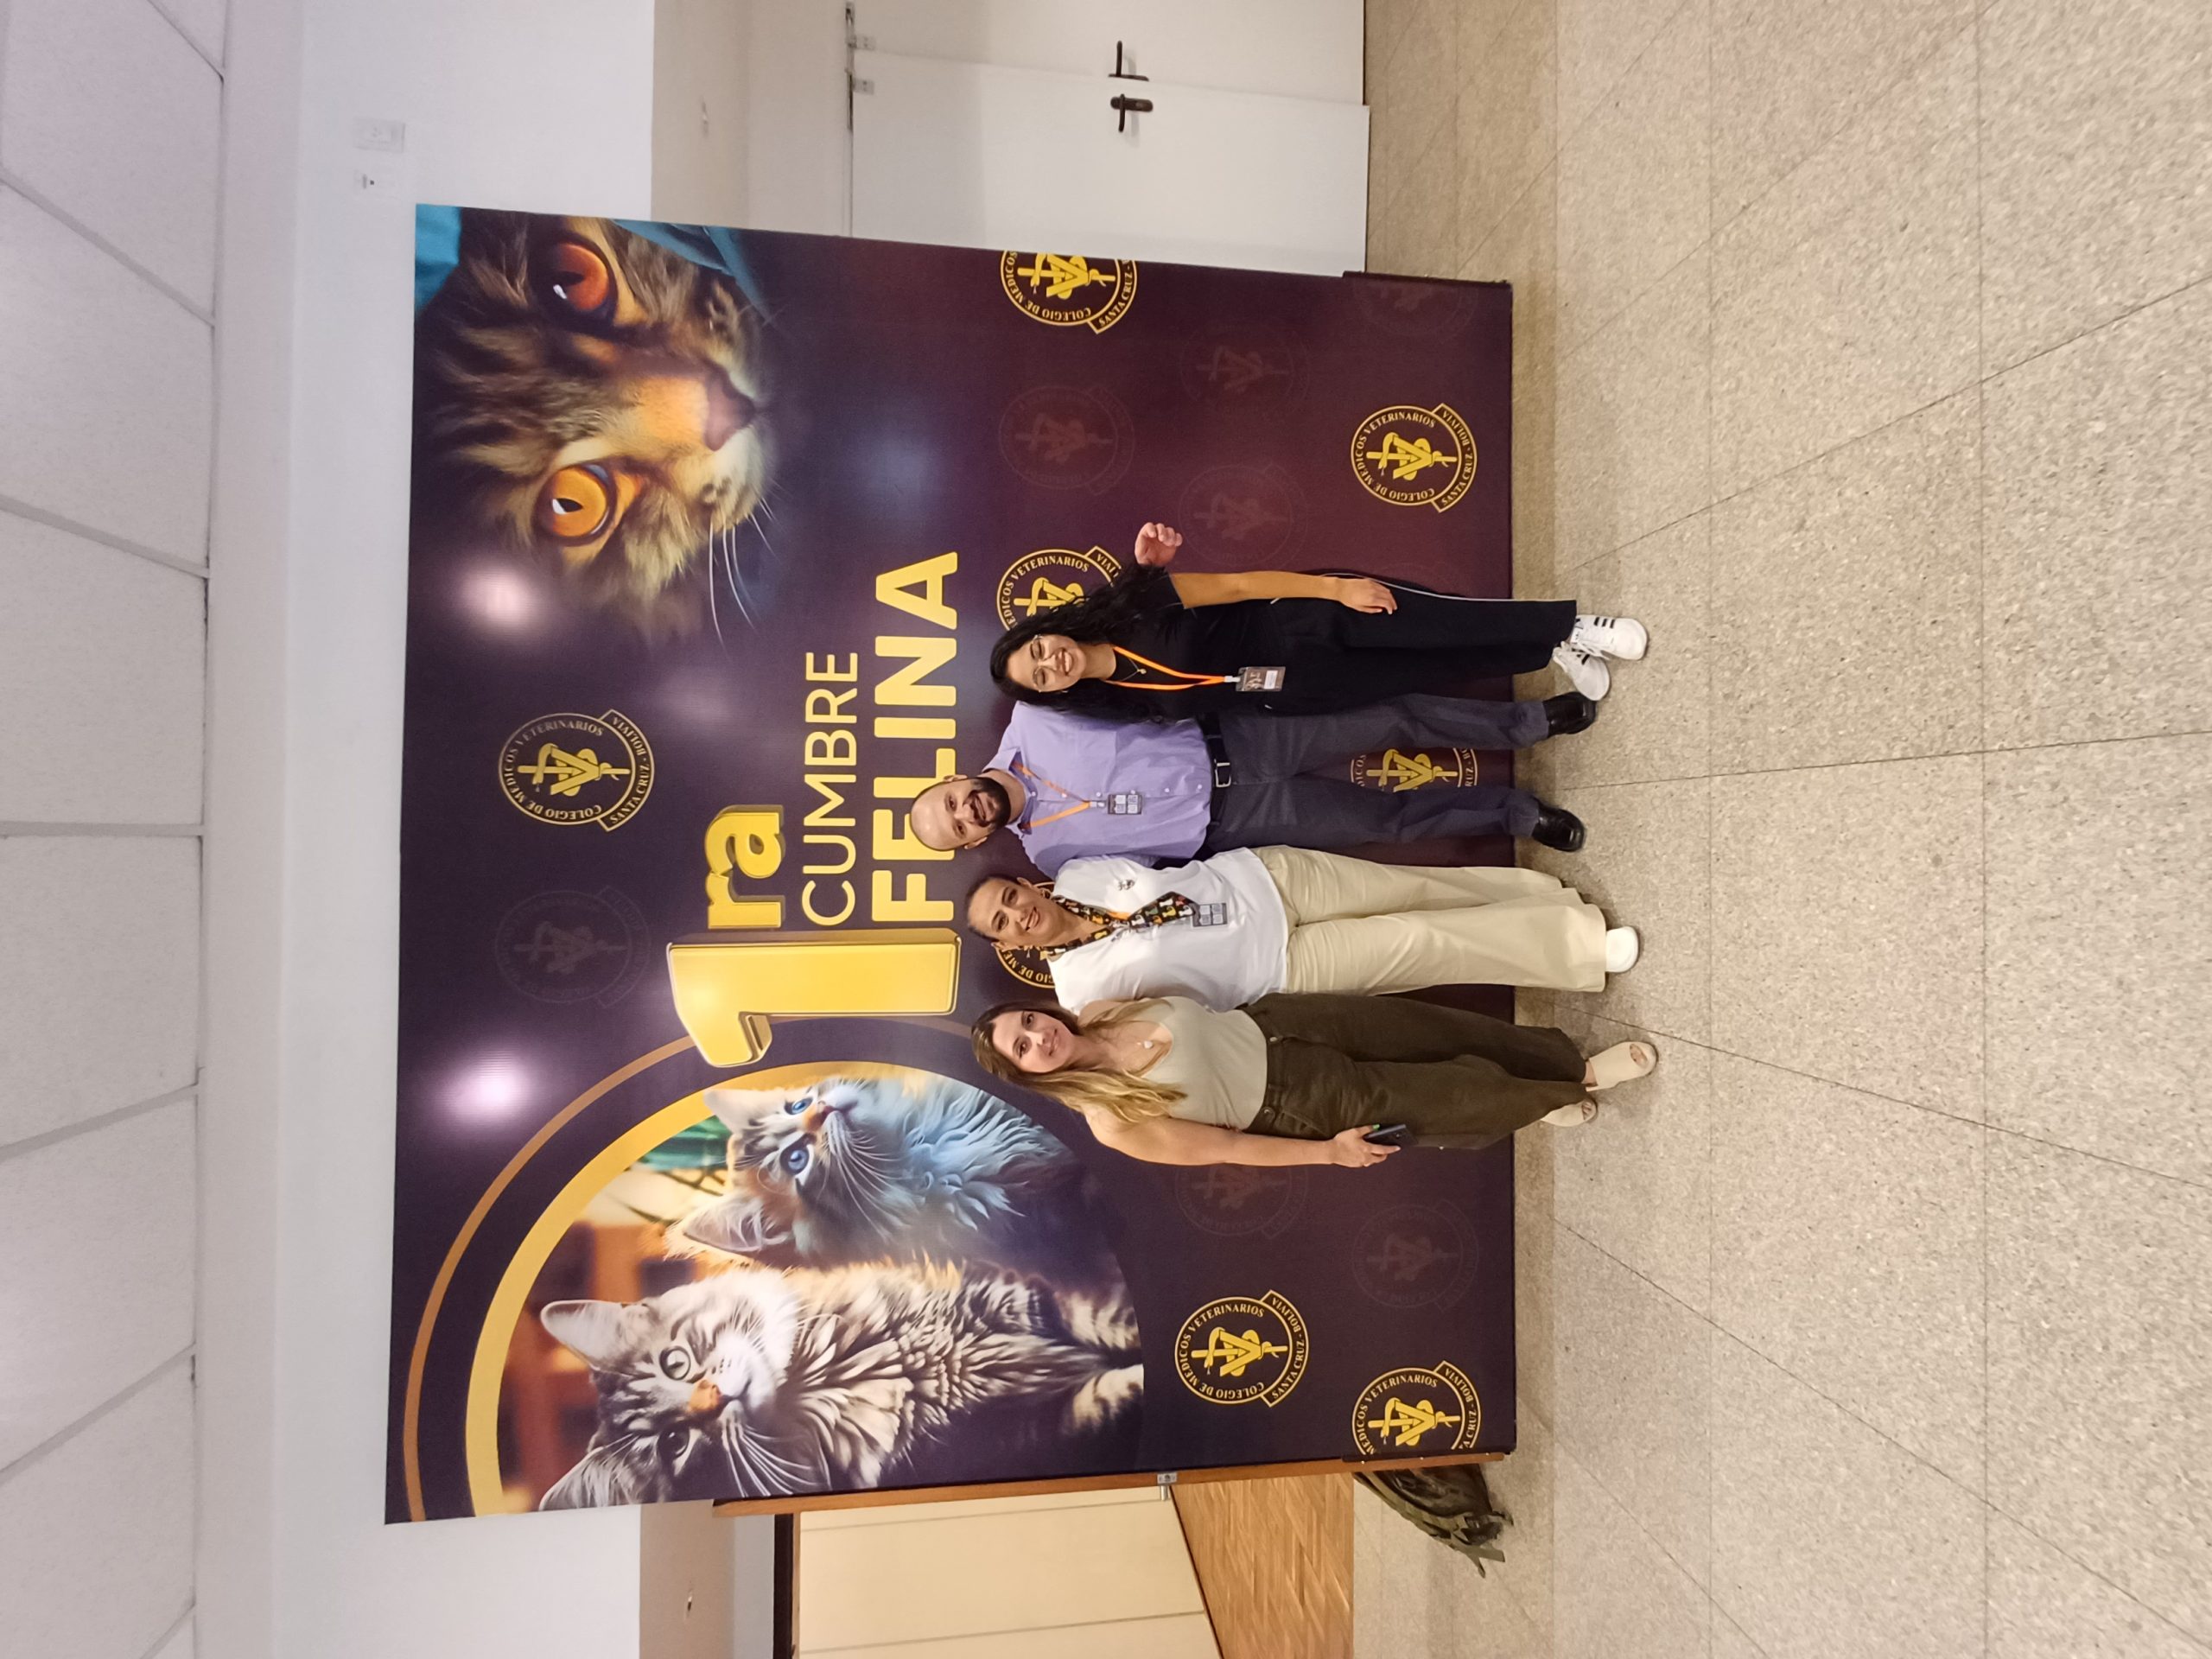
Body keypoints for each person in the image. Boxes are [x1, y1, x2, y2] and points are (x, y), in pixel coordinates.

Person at [988, 522, 1648, 714]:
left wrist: (1335, 589)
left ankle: (1575, 624)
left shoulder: (1132, 603)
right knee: (1439, 666)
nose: (1051, 663)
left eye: (1038, 650)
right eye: (1041, 677)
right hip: (1304, 687)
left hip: (1305, 621)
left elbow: (1241, 584)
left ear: (1046, 631)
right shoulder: (1124, 701)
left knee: (1442, 623)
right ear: (1056, 692)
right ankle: (1548, 650)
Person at [908, 693, 1594, 872]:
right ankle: (1517, 815)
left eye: (950, 802)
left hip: (1236, 738)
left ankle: (1530, 722)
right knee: (1387, 823)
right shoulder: (1050, 859)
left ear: (950, 778)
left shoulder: (1036, 716)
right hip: (1238, 822)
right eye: (959, 828)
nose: (967, 811)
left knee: (1391, 718)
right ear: (973, 844)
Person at [971, 993, 1659, 1168]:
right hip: (1301, 1103)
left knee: (1448, 1033)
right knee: (1450, 1099)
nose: (1039, 1036)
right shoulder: (1111, 1121)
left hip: (1289, 1023)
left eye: (1028, 1021)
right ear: (1031, 1074)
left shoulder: (1102, 1008)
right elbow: (1227, 1149)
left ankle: (1555, 1076)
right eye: (1024, 1049)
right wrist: (1329, 1152)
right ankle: (1579, 1083)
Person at [963, 844, 1638, 1009]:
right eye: (1004, 922)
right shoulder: (1079, 994)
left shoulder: (1080, 872)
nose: (1018, 913)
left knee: (1420, 888)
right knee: (1427, 943)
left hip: (1267, 877)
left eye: (1010, 896)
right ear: (1008, 945)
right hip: (1280, 965)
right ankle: (1579, 947)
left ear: (1025, 885)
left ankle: (1542, 899)